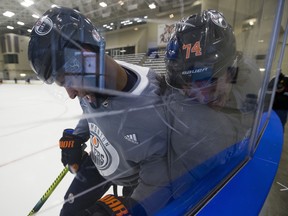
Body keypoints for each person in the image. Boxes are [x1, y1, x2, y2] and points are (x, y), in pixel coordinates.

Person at [28, 6, 171, 216]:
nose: (71, 94)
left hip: (133, 180)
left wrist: (133, 206)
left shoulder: (152, 110)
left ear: (86, 57)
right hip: (100, 163)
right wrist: (77, 136)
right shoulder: (92, 80)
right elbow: (92, 113)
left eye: (67, 81)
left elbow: (157, 182)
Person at [164, 9, 260, 205]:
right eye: (189, 86)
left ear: (231, 70)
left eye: (209, 81)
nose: (201, 96)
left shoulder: (251, 82)